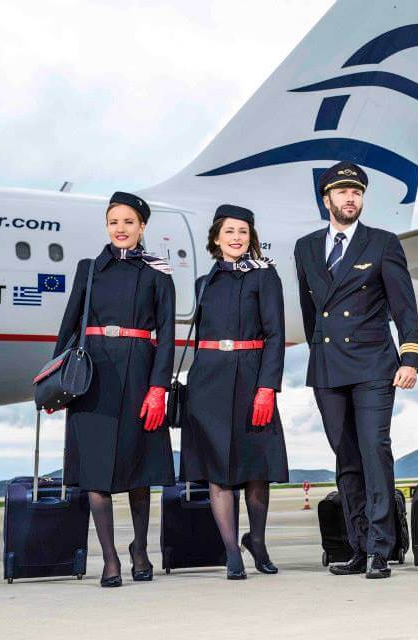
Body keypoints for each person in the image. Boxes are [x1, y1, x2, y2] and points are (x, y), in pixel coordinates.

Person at [295, 161, 418, 580]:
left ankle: (382, 549)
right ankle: (359, 545)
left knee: (374, 451)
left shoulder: (383, 243)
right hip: (328, 367)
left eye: (357, 192)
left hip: (373, 365)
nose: (351, 198)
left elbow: (405, 305)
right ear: (326, 198)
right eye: (343, 192)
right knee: (346, 460)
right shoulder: (306, 248)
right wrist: (317, 351)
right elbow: (311, 310)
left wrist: (410, 357)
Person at [52, 191, 175, 587]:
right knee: (95, 473)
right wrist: (57, 383)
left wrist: (159, 388)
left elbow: (168, 335)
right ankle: (109, 560)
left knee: (139, 470)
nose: (120, 229)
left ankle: (139, 549)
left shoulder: (158, 272)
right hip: (93, 377)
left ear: (142, 227)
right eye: (113, 222)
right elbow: (68, 326)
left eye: (128, 222)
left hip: (139, 372)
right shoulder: (88, 269)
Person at [181, 204, 289, 579]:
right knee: (218, 471)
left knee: (256, 468)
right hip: (208, 380)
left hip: (251, 375)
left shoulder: (265, 277)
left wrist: (267, 387)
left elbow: (276, 335)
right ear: (216, 238)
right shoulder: (203, 283)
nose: (236, 238)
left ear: (251, 238)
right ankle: (231, 551)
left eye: (243, 231)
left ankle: (256, 541)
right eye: (229, 231)